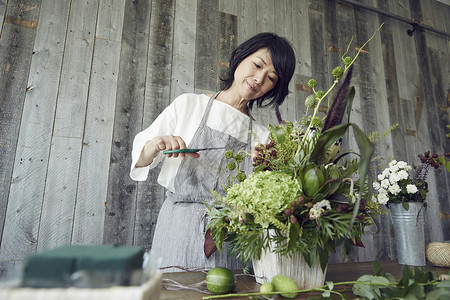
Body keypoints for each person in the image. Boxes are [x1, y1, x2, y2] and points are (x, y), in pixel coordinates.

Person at [130, 32, 296, 272]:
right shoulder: (189, 105)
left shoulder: (263, 137)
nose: (259, 79)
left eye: (271, 77)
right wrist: (156, 144)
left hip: (229, 236)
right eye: (257, 65)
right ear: (239, 56)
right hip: (177, 227)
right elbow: (141, 158)